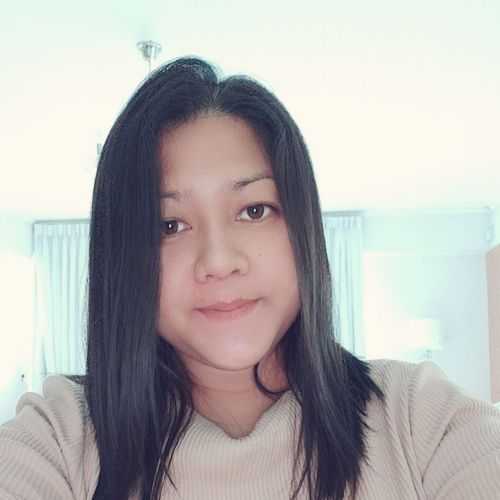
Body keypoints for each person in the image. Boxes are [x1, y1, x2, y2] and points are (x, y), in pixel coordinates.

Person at [1, 56, 500, 500]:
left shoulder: (418, 418)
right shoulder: (59, 438)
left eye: (254, 210)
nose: (219, 261)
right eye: (168, 225)